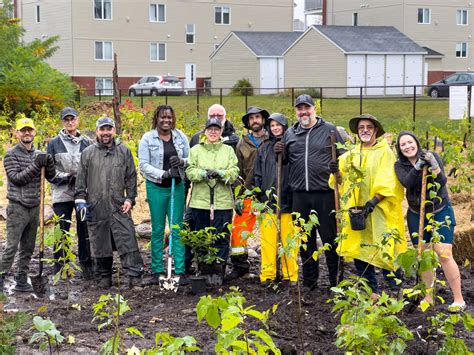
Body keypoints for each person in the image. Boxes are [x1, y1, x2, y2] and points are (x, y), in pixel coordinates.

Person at [329, 114, 406, 297]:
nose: (365, 130)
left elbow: (389, 180)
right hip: (357, 211)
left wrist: (373, 201)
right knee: (360, 247)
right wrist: (336, 172)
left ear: (376, 131)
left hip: (380, 211)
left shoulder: (385, 152)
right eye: (361, 127)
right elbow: (339, 183)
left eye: (369, 127)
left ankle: (396, 290)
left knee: (385, 246)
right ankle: (372, 291)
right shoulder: (351, 155)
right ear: (357, 131)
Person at [274, 94, 344, 291]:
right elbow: (284, 162)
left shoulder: (329, 130)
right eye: (299, 109)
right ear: (296, 111)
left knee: (330, 240)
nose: (303, 112)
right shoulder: (290, 133)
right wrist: (277, 152)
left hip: (325, 194)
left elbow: (344, 155)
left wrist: (337, 166)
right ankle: (310, 283)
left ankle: (335, 282)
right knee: (305, 241)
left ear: (314, 109)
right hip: (300, 195)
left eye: (307, 108)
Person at [394, 131, 465, 312]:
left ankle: (458, 299)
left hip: (439, 209)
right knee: (424, 255)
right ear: (399, 149)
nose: (408, 146)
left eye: (410, 142)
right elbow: (408, 183)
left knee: (444, 253)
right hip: (416, 213)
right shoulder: (399, 165)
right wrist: (418, 166)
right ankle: (428, 296)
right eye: (403, 145)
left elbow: (441, 181)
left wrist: (433, 164)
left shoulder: (432, 156)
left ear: (416, 143)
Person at [75, 117, 144, 289]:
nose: (106, 133)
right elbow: (80, 180)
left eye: (109, 129)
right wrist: (81, 201)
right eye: (102, 129)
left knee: (127, 239)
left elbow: (131, 177)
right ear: (97, 131)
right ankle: (103, 276)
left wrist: (130, 198)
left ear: (114, 131)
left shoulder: (124, 151)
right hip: (96, 207)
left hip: (119, 206)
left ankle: (134, 276)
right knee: (99, 242)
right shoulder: (88, 153)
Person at [0, 118, 56, 293]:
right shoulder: (11, 155)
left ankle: (21, 279)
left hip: (35, 208)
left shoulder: (38, 154)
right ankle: (1, 277)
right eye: (23, 130)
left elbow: (50, 176)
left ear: (34, 132)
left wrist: (49, 162)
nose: (26, 133)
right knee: (11, 247)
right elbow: (17, 179)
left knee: (28, 247)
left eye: (29, 130)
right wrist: (36, 163)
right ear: (17, 133)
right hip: (17, 207)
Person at [184, 104, 239, 274]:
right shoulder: (196, 150)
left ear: (221, 131)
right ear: (205, 131)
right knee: (201, 236)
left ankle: (219, 269)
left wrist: (221, 173)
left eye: (216, 129)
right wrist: (203, 174)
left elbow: (234, 172)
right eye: (210, 129)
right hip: (200, 201)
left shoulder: (228, 150)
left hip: (222, 202)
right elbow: (190, 171)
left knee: (221, 236)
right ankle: (203, 267)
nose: (213, 132)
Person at [138, 105, 189, 284]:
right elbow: (143, 165)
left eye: (169, 117)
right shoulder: (147, 138)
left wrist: (182, 161)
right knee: (158, 229)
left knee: (177, 228)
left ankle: (180, 270)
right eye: (162, 117)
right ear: (157, 118)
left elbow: (191, 159)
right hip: (157, 188)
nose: (166, 120)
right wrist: (164, 173)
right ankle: (157, 269)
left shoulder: (180, 137)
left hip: (178, 187)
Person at [253, 113, 298, 286]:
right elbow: (258, 173)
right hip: (268, 203)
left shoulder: (292, 146)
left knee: (289, 241)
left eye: (278, 125)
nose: (275, 128)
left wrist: (285, 153)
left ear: (285, 127)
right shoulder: (264, 148)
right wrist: (259, 195)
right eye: (272, 126)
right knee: (268, 241)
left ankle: (289, 275)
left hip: (288, 201)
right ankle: (268, 274)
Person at [47, 107, 93, 278]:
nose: (70, 122)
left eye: (72, 119)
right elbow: (50, 172)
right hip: (62, 194)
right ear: (62, 122)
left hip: (83, 194)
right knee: (62, 230)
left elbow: (91, 168)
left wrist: (82, 181)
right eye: (66, 119)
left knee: (85, 229)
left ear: (77, 120)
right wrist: (67, 177)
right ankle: (60, 267)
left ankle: (86, 265)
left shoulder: (87, 142)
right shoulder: (54, 143)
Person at [228, 106, 270, 280]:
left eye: (258, 117)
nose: (255, 121)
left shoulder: (273, 140)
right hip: (248, 193)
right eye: (251, 118)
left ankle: (271, 267)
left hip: (269, 193)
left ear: (263, 120)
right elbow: (237, 171)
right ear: (247, 122)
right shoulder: (242, 144)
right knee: (239, 232)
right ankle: (240, 266)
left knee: (270, 232)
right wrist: (238, 195)